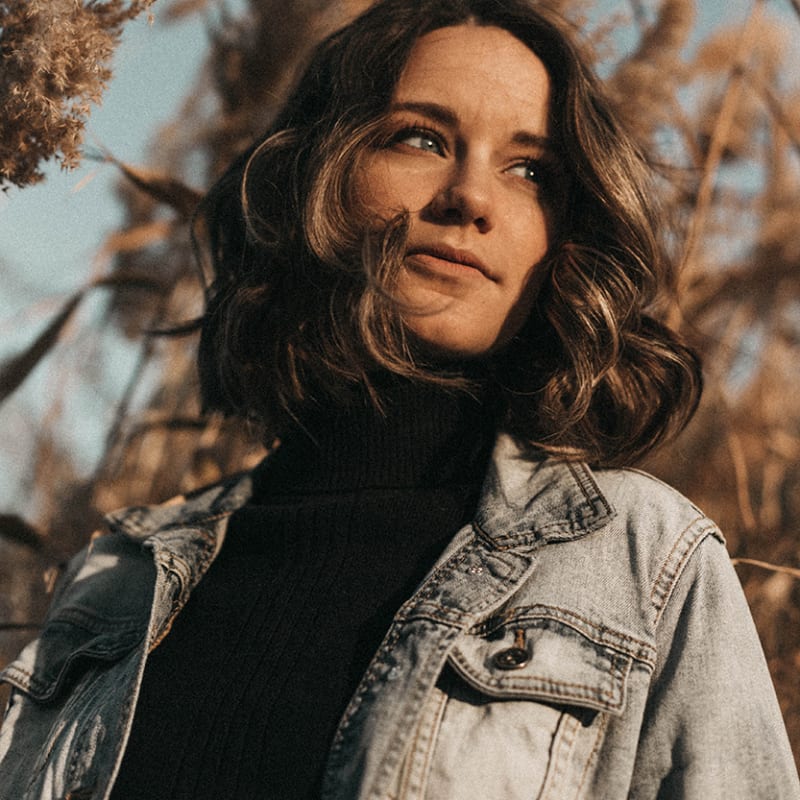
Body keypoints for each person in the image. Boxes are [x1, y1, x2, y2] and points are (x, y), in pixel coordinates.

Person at [1, 0, 798, 797]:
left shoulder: (647, 563)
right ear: (315, 171)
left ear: (565, 235)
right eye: (420, 138)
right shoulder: (117, 580)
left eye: (530, 171)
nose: (470, 198)